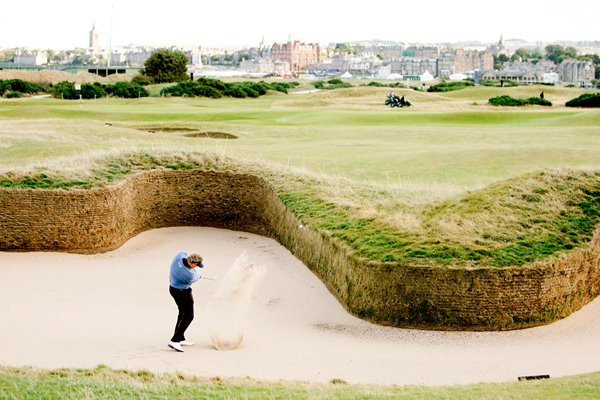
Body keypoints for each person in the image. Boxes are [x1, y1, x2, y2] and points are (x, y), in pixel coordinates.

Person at [168, 251, 204, 352]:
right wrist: (199, 276)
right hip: (182, 292)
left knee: (182, 313)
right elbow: (194, 278)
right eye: (197, 265)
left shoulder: (179, 256)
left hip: (172, 289)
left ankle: (180, 338)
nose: (196, 267)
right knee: (189, 316)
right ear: (192, 263)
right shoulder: (189, 275)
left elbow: (183, 252)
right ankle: (175, 341)